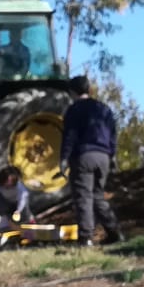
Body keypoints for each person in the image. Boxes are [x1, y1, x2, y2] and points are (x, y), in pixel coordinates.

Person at [59, 76, 124, 247]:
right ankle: (114, 232)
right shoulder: (104, 108)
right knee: (97, 196)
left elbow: (70, 136)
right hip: (103, 157)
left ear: (72, 92)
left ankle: (85, 237)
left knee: (83, 196)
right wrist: (112, 156)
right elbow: (113, 134)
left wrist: (64, 158)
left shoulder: (74, 109)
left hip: (84, 156)